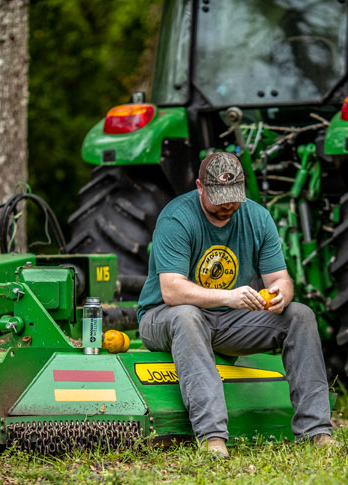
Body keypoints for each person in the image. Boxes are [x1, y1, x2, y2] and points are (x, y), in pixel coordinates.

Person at [137, 152, 335, 458]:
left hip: (229, 322)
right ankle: (212, 436)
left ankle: (316, 432)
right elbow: (171, 291)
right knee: (188, 315)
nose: (227, 206)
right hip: (162, 319)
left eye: (233, 198)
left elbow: (280, 279)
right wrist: (228, 296)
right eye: (218, 198)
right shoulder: (176, 217)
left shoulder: (257, 218)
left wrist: (282, 293)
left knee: (300, 315)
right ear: (200, 187)